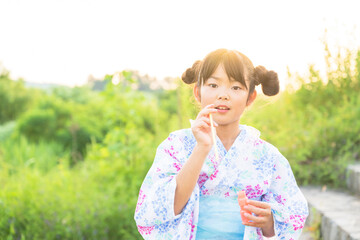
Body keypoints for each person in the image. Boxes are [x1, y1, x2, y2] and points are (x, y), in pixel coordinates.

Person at [134, 49, 309, 240]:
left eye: (236, 87)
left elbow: (293, 216)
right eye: (213, 84)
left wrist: (268, 223)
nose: (223, 95)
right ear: (198, 92)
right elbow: (159, 208)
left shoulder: (267, 156)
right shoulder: (176, 145)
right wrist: (201, 148)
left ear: (250, 97)